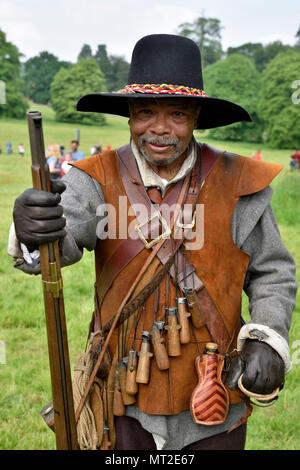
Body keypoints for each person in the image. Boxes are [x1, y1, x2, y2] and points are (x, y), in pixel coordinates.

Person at [9, 34, 297, 451]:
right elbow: (61, 245)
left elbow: (273, 270)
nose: (159, 128)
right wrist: (36, 230)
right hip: (120, 399)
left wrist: (267, 334)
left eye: (177, 113)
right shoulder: (94, 177)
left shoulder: (239, 182)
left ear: (196, 115)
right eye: (145, 112)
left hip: (213, 401)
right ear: (129, 114)